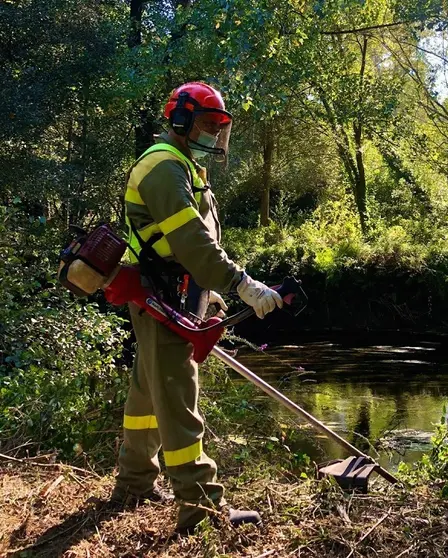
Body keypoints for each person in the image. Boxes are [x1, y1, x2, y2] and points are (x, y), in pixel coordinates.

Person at [110, 81, 282, 532]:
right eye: (208, 124)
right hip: (160, 293)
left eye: (219, 126)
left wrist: (211, 293)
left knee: (148, 391)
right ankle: (201, 506)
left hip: (170, 290)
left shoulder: (182, 165)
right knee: (178, 395)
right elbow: (191, 241)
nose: (214, 133)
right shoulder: (164, 167)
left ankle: (134, 482)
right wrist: (241, 283)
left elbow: (182, 246)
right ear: (182, 120)